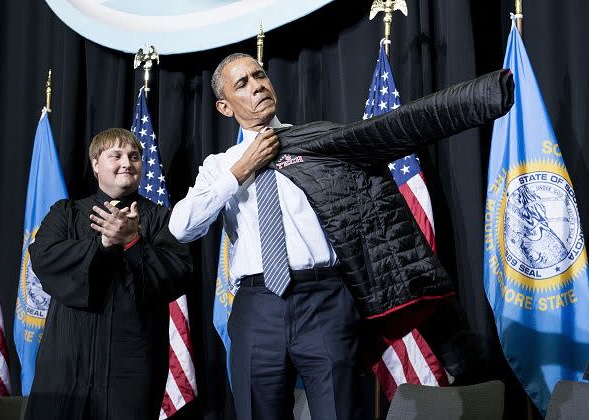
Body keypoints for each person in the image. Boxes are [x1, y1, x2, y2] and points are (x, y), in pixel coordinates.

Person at [169, 53, 514, 420]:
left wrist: (485, 97)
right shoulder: (220, 166)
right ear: (224, 107)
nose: (257, 86)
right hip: (257, 307)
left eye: (260, 76)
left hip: (325, 302)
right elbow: (182, 227)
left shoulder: (322, 140)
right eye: (243, 84)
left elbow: (401, 126)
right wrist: (239, 172)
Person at [25, 128, 193, 420]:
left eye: (135, 157)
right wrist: (102, 243)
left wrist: (132, 242)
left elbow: (177, 274)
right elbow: (43, 258)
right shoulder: (66, 213)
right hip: (65, 365)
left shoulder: (162, 219)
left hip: (130, 371)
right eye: (116, 155)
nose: (127, 163)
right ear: (95, 164)